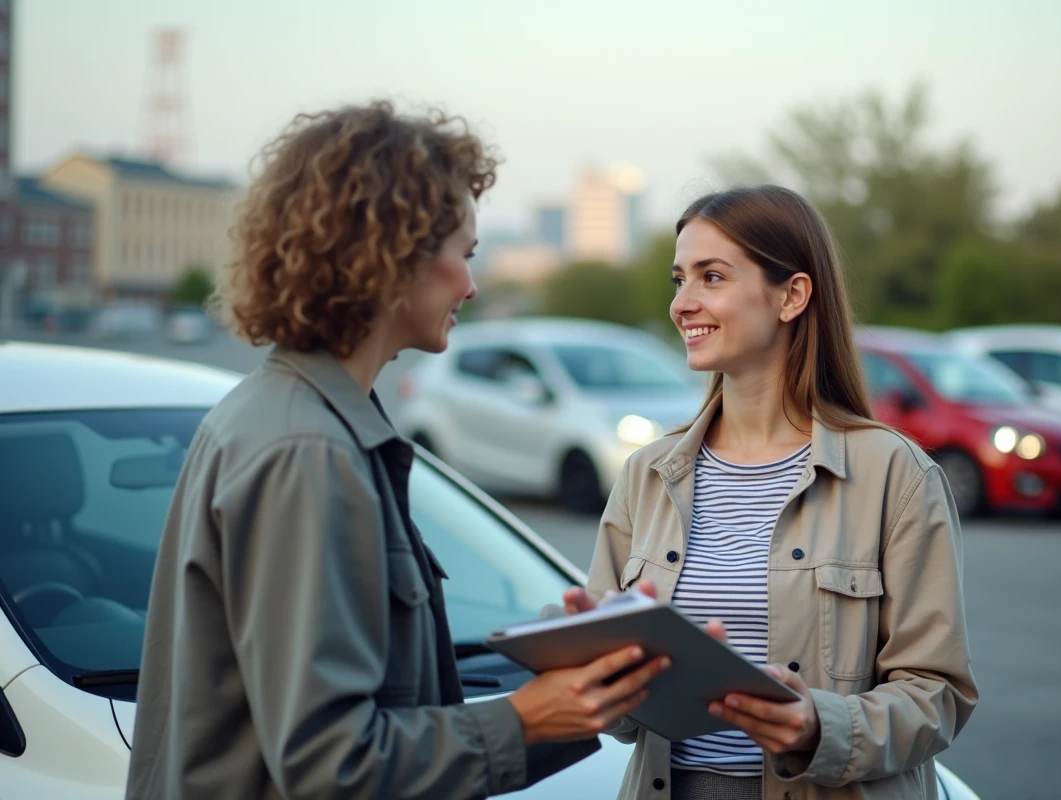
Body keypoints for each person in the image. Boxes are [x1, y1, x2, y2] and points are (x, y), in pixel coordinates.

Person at [125, 101, 669, 800]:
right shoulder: (306, 451)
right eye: (464, 255)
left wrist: (567, 660)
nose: (473, 286)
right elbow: (331, 766)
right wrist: (524, 719)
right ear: (390, 252)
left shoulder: (297, 419)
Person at [564, 185, 978, 799]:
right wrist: (598, 671)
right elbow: (623, 716)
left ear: (792, 295)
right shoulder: (648, 474)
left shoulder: (897, 475)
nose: (683, 304)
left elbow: (937, 694)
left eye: (712, 277)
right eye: (679, 279)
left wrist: (819, 725)